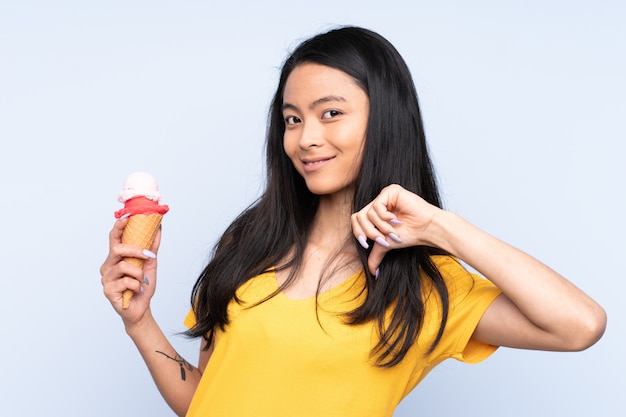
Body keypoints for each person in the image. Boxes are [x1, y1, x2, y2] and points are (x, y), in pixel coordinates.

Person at [100, 26, 606, 417]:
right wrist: (139, 321)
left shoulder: (424, 287)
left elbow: (580, 326)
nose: (305, 138)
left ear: (383, 120)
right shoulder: (248, 243)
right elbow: (205, 401)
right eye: (293, 118)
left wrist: (441, 229)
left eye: (331, 113)